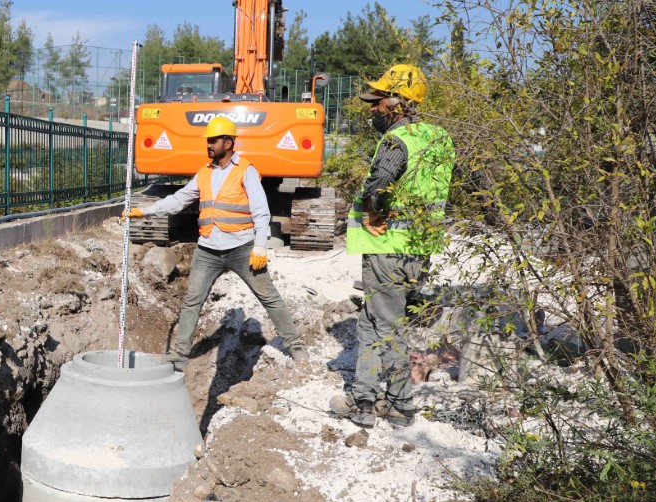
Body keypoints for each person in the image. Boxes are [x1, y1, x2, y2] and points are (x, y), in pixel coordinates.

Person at [128, 115, 305, 368]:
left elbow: (261, 210)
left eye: (213, 140)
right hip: (208, 249)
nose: (208, 145)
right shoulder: (204, 173)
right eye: (208, 141)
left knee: (269, 296)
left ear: (229, 143)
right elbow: (179, 199)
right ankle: (180, 354)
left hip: (242, 248)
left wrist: (260, 246)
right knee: (192, 300)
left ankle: (296, 346)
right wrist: (145, 211)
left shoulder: (246, 170)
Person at [336, 64, 456, 428]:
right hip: (416, 250)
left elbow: (382, 182)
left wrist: (375, 209)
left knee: (385, 326)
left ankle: (400, 405)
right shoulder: (439, 139)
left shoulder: (396, 141)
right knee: (375, 322)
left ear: (398, 102)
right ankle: (363, 399)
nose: (372, 108)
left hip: (388, 246)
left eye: (378, 101)